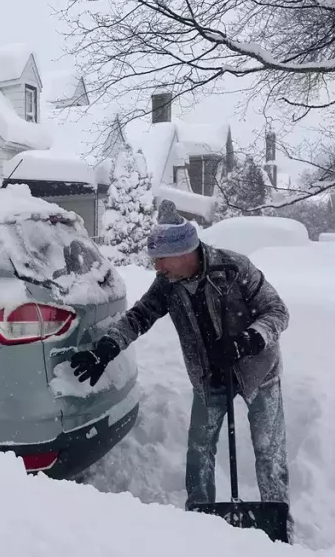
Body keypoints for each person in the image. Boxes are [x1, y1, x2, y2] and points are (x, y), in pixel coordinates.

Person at [71, 199, 291, 521]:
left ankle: (275, 519)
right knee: (199, 453)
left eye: (161, 260)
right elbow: (139, 316)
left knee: (269, 453)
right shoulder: (168, 285)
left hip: (259, 371)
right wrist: (106, 348)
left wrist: (246, 342)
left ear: (185, 252)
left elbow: (277, 311)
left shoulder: (234, 269)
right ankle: (200, 518)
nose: (157, 268)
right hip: (209, 377)